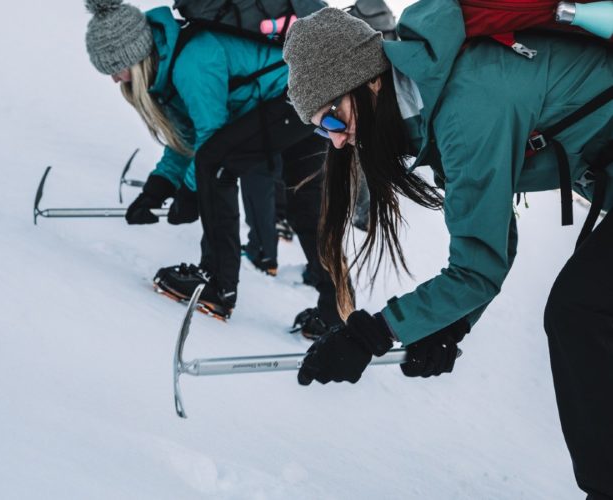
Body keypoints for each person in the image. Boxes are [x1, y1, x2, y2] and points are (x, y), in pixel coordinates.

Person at [282, 3, 612, 499]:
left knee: (578, 312)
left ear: (367, 82)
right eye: (320, 130)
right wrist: (448, 325)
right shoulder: (434, 105)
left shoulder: (466, 103)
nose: (337, 141)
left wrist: (376, 334)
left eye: (332, 118)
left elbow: (478, 266)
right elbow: (495, 236)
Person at [83, 0, 344, 333]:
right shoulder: (172, 64)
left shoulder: (191, 60)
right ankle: (336, 312)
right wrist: (158, 187)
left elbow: (210, 138)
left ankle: (217, 284)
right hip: (305, 96)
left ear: (135, 57)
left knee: (217, 166)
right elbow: (188, 138)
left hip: (297, 96)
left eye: (114, 68)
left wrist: (191, 192)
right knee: (303, 205)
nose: (114, 79)